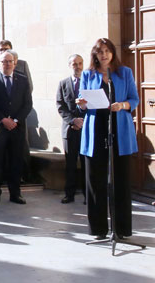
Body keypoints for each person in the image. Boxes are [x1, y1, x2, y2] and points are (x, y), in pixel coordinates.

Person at [76, 38, 138, 240]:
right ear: (95, 55)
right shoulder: (88, 74)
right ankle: (98, 229)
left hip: (119, 129)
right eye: (99, 52)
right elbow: (82, 105)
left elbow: (134, 99)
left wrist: (122, 105)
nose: (103, 55)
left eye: (107, 51)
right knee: (95, 180)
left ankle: (122, 229)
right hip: (96, 129)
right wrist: (82, 103)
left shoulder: (124, 72)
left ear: (112, 52)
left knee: (121, 180)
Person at [0, 51, 33, 205]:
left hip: (16, 128)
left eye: (10, 61)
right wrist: (3, 119)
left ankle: (15, 194)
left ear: (15, 63)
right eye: (4, 61)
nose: (7, 64)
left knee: (15, 162)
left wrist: (15, 120)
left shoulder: (22, 80)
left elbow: (27, 104)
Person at [56, 54, 86, 204]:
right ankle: (70, 194)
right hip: (69, 130)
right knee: (71, 164)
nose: (78, 66)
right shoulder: (63, 83)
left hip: (86, 130)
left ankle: (89, 195)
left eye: (80, 63)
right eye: (74, 64)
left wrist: (82, 121)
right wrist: (73, 120)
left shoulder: (88, 83)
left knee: (87, 163)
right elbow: (60, 106)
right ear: (69, 65)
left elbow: (93, 104)